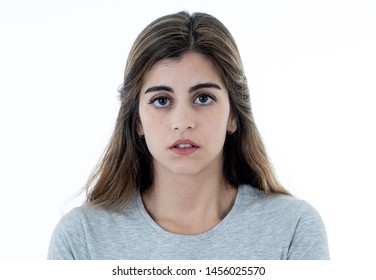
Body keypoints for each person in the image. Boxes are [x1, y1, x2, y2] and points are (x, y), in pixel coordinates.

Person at [48, 11, 329, 260]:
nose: (182, 122)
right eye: (161, 100)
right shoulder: (82, 238)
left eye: (203, 98)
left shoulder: (293, 228)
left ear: (233, 115)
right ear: (137, 121)